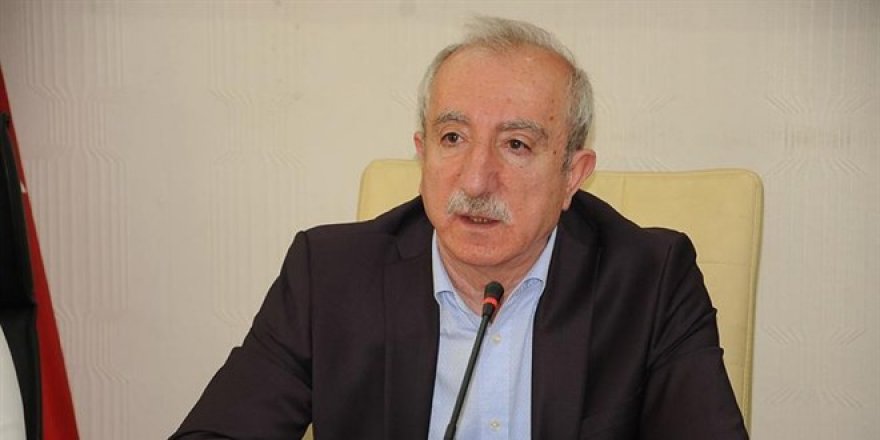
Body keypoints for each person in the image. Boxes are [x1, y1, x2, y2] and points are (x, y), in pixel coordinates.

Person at [171, 16, 748, 440]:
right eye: (452, 138)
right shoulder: (328, 275)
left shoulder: (650, 280)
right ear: (422, 152)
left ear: (573, 175)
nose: (475, 179)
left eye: (516, 145)